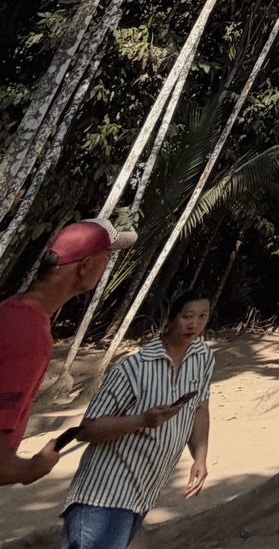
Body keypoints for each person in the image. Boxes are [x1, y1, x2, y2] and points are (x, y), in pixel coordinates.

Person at [62, 288, 214, 548]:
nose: (195, 324)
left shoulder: (202, 358)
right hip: (103, 493)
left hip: (144, 492)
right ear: (171, 318)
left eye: (203, 316)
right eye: (187, 316)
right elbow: (86, 430)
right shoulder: (134, 368)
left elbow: (200, 407)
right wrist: (141, 420)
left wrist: (200, 457)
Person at [0, 217, 136, 488]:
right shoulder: (31, 337)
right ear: (85, 266)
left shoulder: (11, 310)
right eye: (107, 256)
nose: (108, 264)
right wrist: (34, 468)